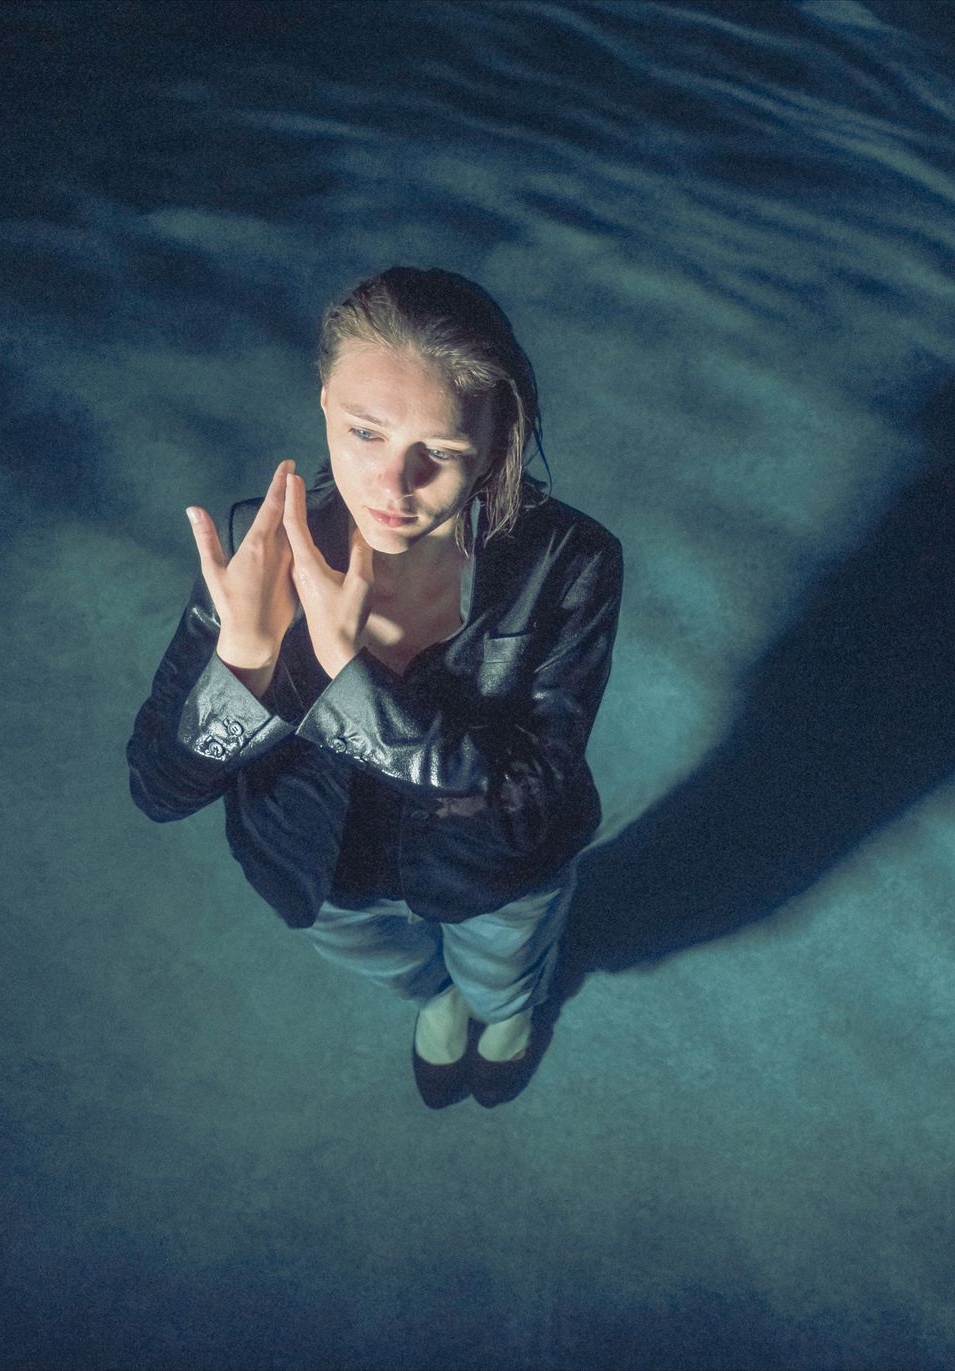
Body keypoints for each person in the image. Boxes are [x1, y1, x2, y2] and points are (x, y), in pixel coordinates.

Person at [127, 267, 623, 1109]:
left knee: (505, 965)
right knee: (397, 963)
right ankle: (436, 997)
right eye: (365, 431)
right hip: (317, 871)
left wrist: (344, 682)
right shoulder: (259, 546)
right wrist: (247, 659)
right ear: (323, 401)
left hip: (493, 874)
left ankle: (506, 1008)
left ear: (498, 439)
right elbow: (157, 787)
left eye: (444, 452)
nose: (393, 488)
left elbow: (529, 801)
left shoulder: (568, 560)